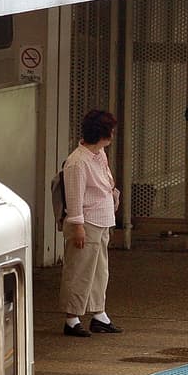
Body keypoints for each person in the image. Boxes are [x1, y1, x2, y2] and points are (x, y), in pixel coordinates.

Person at [60, 110, 122, 337]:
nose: (112, 136)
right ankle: (72, 317)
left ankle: (98, 313)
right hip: (86, 223)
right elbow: (75, 198)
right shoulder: (77, 162)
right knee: (79, 271)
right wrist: (78, 227)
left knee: (98, 271)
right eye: (110, 131)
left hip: (101, 220)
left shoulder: (99, 154)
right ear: (102, 134)